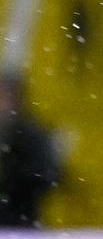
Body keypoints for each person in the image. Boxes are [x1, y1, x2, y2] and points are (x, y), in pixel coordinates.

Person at [0, 72, 62, 228]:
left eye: (4, 97)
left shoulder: (30, 134)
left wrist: (13, 177)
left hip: (21, 225)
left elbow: (47, 177)